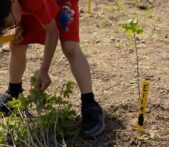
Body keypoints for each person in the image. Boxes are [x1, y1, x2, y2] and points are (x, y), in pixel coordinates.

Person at [0, 0, 105, 138]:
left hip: (60, 2)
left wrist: (44, 70)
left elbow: (53, 32)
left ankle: (90, 104)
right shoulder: (11, 7)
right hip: (28, 7)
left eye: (9, 23)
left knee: (70, 47)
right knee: (17, 43)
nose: (10, 27)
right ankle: (13, 92)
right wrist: (17, 26)